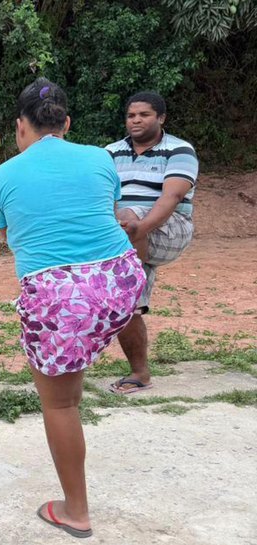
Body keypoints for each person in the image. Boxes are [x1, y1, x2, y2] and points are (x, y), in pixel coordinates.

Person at [0, 78, 146, 538]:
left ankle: (75, 512)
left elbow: (9, 234)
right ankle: (134, 366)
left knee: (60, 405)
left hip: (59, 297)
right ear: (67, 123)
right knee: (97, 323)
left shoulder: (3, 175)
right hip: (120, 281)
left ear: (21, 127)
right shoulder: (100, 156)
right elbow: (108, 209)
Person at [106, 91, 198, 394]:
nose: (136, 120)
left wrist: (134, 228)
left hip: (170, 231)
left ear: (161, 118)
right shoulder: (109, 153)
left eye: (144, 115)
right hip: (125, 236)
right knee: (125, 303)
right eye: (131, 115)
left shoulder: (179, 150)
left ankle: (131, 270)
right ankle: (139, 373)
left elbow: (171, 198)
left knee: (128, 213)